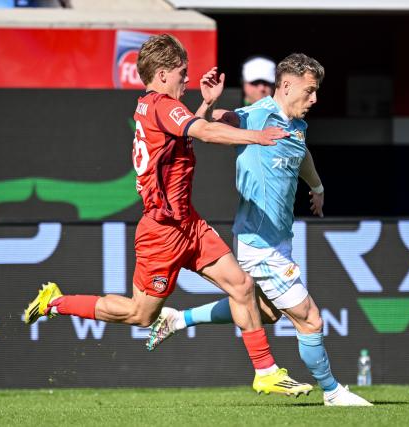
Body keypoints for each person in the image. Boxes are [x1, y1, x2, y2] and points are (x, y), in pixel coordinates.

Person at [23, 34, 312, 397]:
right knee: (140, 315)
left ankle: (266, 372)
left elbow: (190, 128)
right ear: (161, 74)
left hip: (188, 223)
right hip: (161, 232)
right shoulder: (160, 105)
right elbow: (203, 131)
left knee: (241, 285)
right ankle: (56, 301)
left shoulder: (155, 106)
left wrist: (205, 104)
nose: (186, 79)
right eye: (181, 73)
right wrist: (256, 136)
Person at [145, 53, 373, 406]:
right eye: (309, 91)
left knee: (264, 311)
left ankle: (179, 318)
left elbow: (302, 154)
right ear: (286, 85)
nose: (314, 99)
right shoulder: (254, 116)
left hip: (280, 239)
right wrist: (211, 107)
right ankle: (333, 392)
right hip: (259, 241)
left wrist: (317, 187)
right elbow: (204, 128)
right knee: (310, 319)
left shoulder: (297, 124)